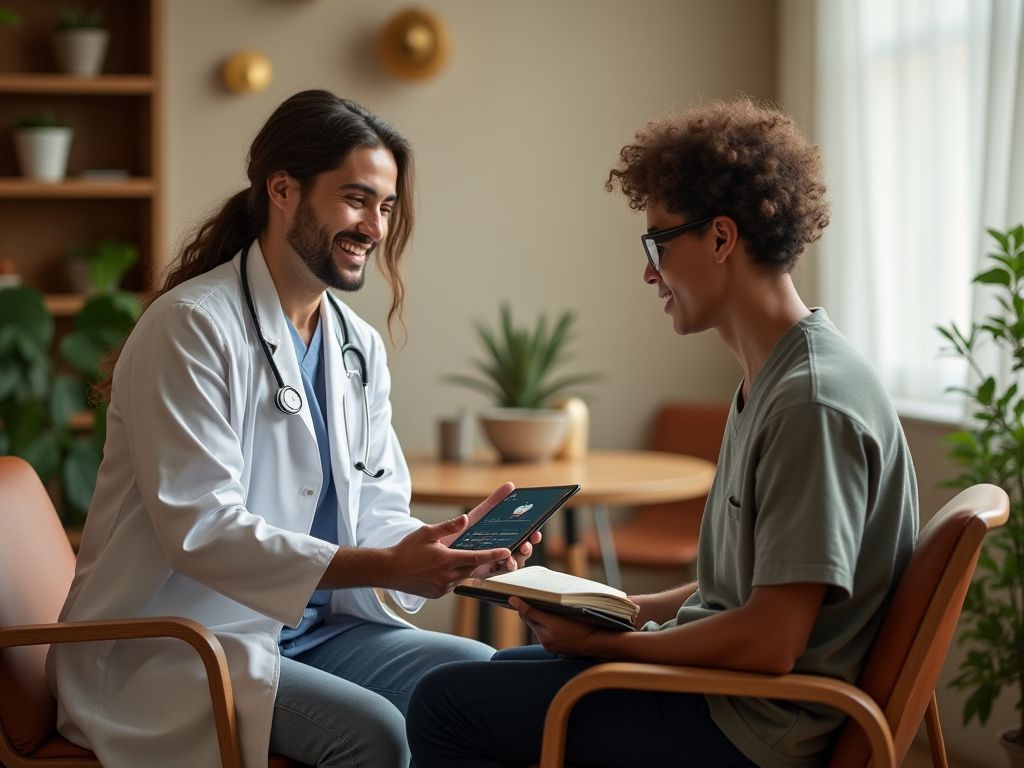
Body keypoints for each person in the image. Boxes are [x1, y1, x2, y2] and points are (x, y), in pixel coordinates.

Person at [406, 97, 919, 767]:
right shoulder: (774, 379)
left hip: (748, 727)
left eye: (659, 243)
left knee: (444, 703)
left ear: (720, 238)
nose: (650, 272)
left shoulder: (810, 403)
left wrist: (608, 646)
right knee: (497, 669)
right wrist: (627, 608)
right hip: (732, 698)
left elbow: (771, 641)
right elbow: (734, 589)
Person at [48, 90, 538, 768]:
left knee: (482, 681)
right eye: (356, 199)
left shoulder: (355, 345)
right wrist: (388, 564)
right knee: (377, 735)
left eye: (386, 207)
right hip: (185, 643)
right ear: (283, 189)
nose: (374, 226)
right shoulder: (192, 326)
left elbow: (376, 512)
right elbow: (203, 530)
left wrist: (439, 550)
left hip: (315, 633)